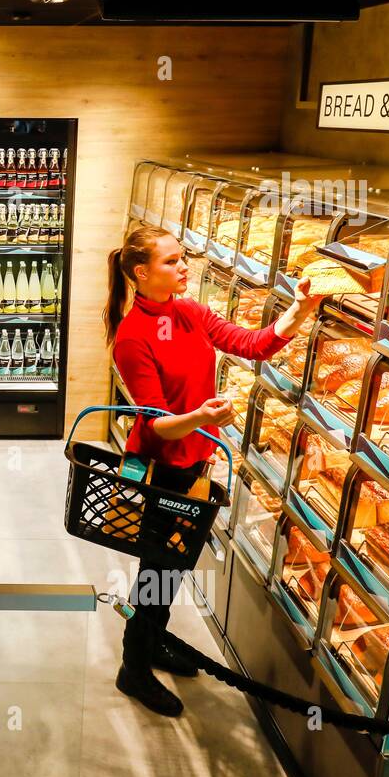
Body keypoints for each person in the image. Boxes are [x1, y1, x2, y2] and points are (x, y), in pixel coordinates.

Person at [104, 225, 323, 717]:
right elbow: (155, 425)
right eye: (172, 261)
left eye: (182, 259)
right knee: (155, 575)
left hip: (195, 464)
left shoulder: (190, 312)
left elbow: (253, 344)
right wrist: (202, 417)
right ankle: (133, 669)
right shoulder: (133, 336)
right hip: (162, 471)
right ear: (142, 273)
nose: (184, 267)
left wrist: (299, 310)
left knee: (173, 568)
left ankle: (152, 642)